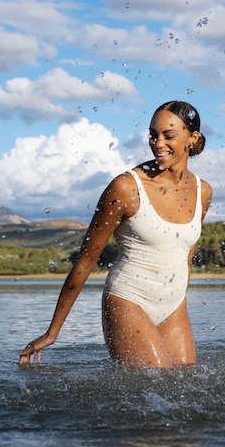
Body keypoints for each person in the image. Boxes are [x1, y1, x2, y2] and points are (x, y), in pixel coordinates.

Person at [19, 101, 212, 368]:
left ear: (192, 138)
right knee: (154, 387)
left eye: (168, 136)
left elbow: (185, 255)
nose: (157, 143)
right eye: (153, 135)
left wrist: (176, 298)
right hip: (128, 299)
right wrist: (53, 332)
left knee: (187, 386)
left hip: (173, 305)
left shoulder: (203, 192)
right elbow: (85, 262)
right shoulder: (125, 188)